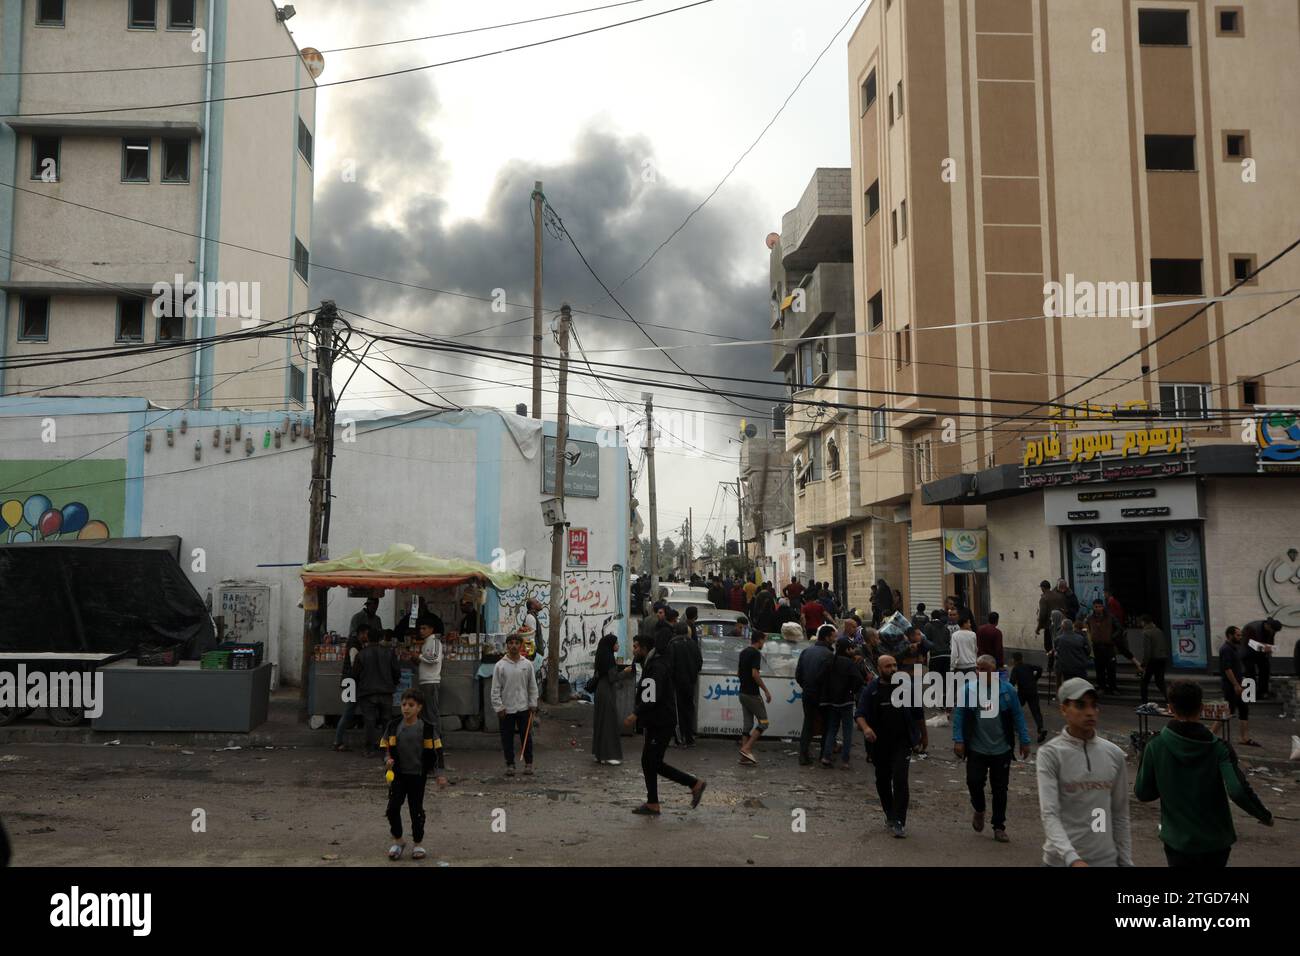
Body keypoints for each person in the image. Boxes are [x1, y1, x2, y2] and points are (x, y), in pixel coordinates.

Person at [1135, 680, 1273, 867]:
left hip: (1178, 842)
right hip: (1216, 842)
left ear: (1170, 708)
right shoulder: (1219, 748)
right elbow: (1237, 790)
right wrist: (1264, 816)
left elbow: (1143, 793)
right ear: (1201, 708)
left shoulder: (1154, 746)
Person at [1036, 678, 1132, 867]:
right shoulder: (1050, 754)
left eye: (1094, 706)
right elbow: (1050, 813)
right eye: (1080, 705)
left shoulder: (1114, 754)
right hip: (1061, 862)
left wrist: (1125, 860)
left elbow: (1120, 814)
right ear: (1064, 709)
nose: (1089, 712)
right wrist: (1072, 858)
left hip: (1105, 860)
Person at [625, 633, 707, 814]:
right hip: (658, 720)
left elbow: (650, 697)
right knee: (649, 762)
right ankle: (653, 802)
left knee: (653, 762)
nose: (634, 650)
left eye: (636, 646)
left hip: (660, 721)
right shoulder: (654, 664)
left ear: (645, 649)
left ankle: (694, 783)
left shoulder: (655, 667)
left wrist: (635, 714)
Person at [952, 655, 1031, 843]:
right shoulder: (968, 690)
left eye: (984, 669)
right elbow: (959, 716)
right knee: (974, 781)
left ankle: (999, 826)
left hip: (1001, 748)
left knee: (1000, 789)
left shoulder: (1007, 691)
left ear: (994, 671)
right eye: (977, 669)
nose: (979, 673)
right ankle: (979, 809)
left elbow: (1018, 716)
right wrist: (958, 740)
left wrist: (1025, 740)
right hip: (977, 748)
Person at [856, 653, 927, 837]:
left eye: (895, 665)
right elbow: (860, 714)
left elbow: (918, 714)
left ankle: (899, 821)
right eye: (888, 666)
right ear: (879, 669)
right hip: (879, 744)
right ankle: (889, 812)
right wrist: (866, 729)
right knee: (882, 780)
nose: (893, 669)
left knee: (900, 780)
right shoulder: (871, 690)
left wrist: (923, 737)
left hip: (902, 742)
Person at [380, 689, 446, 860]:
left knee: (415, 810)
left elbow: (438, 752)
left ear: (419, 708)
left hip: (418, 775)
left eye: (411, 705)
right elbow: (385, 746)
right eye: (403, 705)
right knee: (392, 808)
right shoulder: (393, 726)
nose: (406, 708)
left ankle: (418, 844)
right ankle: (398, 840)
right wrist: (387, 759)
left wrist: (440, 774)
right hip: (398, 775)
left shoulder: (428, 729)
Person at [491, 634, 539, 775]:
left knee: (526, 737)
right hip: (507, 708)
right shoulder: (500, 666)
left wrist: (533, 703)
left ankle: (528, 763)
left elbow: (532, 686)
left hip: (524, 707)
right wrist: (499, 707)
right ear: (507, 646)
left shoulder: (527, 664)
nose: (513, 646)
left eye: (516, 643)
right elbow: (495, 689)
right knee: (507, 738)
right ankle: (510, 764)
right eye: (511, 643)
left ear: (521, 645)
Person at [818, 638, 864, 770]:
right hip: (846, 702)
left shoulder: (829, 661)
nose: (853, 651)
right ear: (847, 649)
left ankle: (826, 757)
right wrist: (851, 691)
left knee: (832, 729)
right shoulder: (849, 663)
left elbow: (820, 678)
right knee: (847, 731)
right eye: (851, 648)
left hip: (832, 702)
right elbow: (859, 680)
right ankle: (845, 760)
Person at [356, 624, 401, 757]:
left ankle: (369, 749)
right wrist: (393, 683)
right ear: (381, 638)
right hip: (386, 692)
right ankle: (386, 748)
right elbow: (396, 672)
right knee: (386, 721)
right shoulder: (389, 652)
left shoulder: (361, 654)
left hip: (367, 692)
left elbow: (355, 674)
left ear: (367, 638)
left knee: (369, 722)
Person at [794, 623, 835, 766]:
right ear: (827, 637)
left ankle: (803, 755)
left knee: (808, 724)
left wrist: (806, 686)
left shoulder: (806, 651)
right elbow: (829, 678)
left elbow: (798, 675)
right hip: (823, 696)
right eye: (833, 637)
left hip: (808, 693)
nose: (834, 640)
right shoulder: (829, 655)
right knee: (826, 725)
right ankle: (824, 755)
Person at [591, 634, 633, 765]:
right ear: (610, 645)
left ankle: (600, 754)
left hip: (601, 691)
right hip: (606, 691)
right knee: (608, 723)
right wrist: (625, 671)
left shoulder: (602, 656)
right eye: (616, 643)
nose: (618, 645)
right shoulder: (609, 658)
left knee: (601, 722)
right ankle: (609, 755)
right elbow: (613, 677)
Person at [1219, 626, 1259, 747]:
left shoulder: (1234, 648)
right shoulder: (1226, 649)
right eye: (1238, 635)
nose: (1240, 637)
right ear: (1230, 635)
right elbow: (1227, 669)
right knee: (1228, 711)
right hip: (1231, 685)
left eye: (1241, 635)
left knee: (1243, 709)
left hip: (1239, 683)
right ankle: (1211, 733)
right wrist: (1235, 684)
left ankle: (1244, 738)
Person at [737, 630, 772, 766]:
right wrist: (766, 691)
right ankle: (746, 748)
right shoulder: (756, 653)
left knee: (748, 725)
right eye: (764, 640)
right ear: (759, 640)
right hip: (752, 694)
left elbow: (738, 673)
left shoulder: (743, 652)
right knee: (764, 722)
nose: (764, 643)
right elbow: (755, 674)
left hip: (742, 693)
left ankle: (744, 757)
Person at [670, 610, 703, 747]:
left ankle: (681, 737)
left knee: (679, 710)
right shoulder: (693, 644)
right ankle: (689, 737)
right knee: (689, 708)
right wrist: (693, 674)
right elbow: (699, 662)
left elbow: (670, 665)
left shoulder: (673, 645)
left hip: (677, 683)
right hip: (690, 682)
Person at [333, 624, 366, 752]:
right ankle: (337, 741)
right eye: (366, 634)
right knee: (348, 711)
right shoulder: (354, 646)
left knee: (349, 711)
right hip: (351, 682)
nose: (367, 637)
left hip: (349, 681)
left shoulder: (356, 644)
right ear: (361, 634)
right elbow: (354, 665)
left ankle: (339, 740)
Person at [415, 617, 445, 739]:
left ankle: (437, 742)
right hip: (425, 682)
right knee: (426, 713)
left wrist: (419, 656)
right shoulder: (426, 643)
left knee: (432, 713)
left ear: (431, 629)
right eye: (420, 628)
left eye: (424, 628)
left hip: (431, 682)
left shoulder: (435, 642)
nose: (421, 631)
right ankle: (430, 741)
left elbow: (434, 659)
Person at [1084, 599, 1122, 694]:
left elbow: (1119, 628)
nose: (1098, 609)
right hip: (1097, 646)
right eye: (1096, 607)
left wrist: (1112, 637)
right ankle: (1102, 687)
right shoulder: (1090, 618)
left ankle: (1113, 688)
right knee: (1099, 668)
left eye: (1099, 606)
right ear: (1093, 607)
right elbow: (1085, 627)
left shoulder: (1110, 617)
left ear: (1103, 607)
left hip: (1108, 646)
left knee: (1111, 669)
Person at [1009, 652, 1046, 744]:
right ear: (1022, 659)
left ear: (1014, 660)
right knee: (1036, 711)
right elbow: (1039, 668)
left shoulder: (1016, 669)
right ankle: (1040, 728)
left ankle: (1013, 726)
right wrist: (1035, 678)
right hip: (1033, 690)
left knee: (1015, 708)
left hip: (1022, 692)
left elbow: (1011, 683)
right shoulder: (1028, 666)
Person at [1242, 618, 1281, 699]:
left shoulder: (1271, 630)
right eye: (1273, 630)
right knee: (1250, 672)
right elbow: (1249, 642)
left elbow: (1270, 642)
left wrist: (1270, 650)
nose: (1273, 633)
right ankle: (1250, 693)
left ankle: (1262, 692)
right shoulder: (1252, 628)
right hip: (1247, 651)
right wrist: (1263, 646)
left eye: (1275, 632)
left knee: (1265, 669)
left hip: (1261, 652)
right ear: (1268, 626)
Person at [1138, 615, 1169, 705]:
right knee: (1160, 681)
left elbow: (1147, 650)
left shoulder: (1146, 633)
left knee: (1144, 682)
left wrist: (1143, 664)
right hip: (1162, 658)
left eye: (1141, 622)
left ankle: (1144, 702)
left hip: (1153, 659)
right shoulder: (1159, 631)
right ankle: (1169, 699)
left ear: (1144, 622)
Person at [1054, 619, 1090, 683]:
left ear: (1062, 628)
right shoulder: (1080, 638)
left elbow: (1057, 652)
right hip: (1079, 667)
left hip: (1066, 668)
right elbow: (1087, 651)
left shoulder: (1059, 639)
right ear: (1072, 627)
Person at [925, 609, 952, 681]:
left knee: (935, 678)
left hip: (935, 655)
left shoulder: (928, 625)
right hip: (947, 655)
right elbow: (948, 640)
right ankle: (946, 691)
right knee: (945, 678)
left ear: (931, 617)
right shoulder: (945, 627)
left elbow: (926, 640)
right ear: (940, 617)